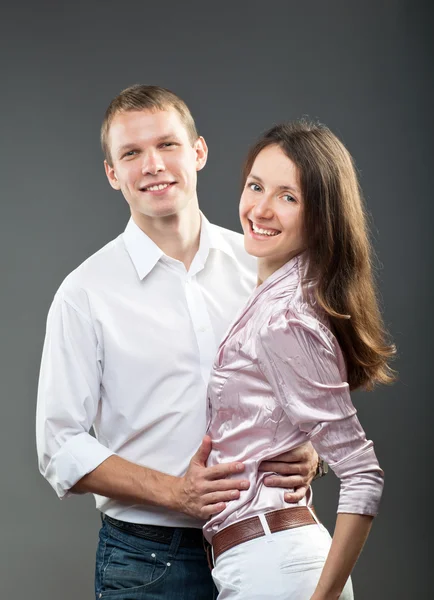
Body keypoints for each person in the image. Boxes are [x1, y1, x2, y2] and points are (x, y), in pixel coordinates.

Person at [36, 86, 321, 600]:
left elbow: (309, 393)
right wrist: (176, 493)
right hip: (149, 560)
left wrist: (311, 450)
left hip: (271, 540)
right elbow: (59, 446)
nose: (152, 165)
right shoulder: (84, 293)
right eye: (131, 153)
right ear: (112, 174)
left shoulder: (267, 268)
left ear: (198, 152)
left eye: (167, 144)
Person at [204, 121, 395, 599]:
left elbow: (363, 473)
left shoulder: (283, 319)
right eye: (255, 186)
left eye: (288, 197)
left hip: (276, 570)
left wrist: (323, 598)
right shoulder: (285, 295)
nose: (260, 209)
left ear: (321, 214)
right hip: (264, 561)